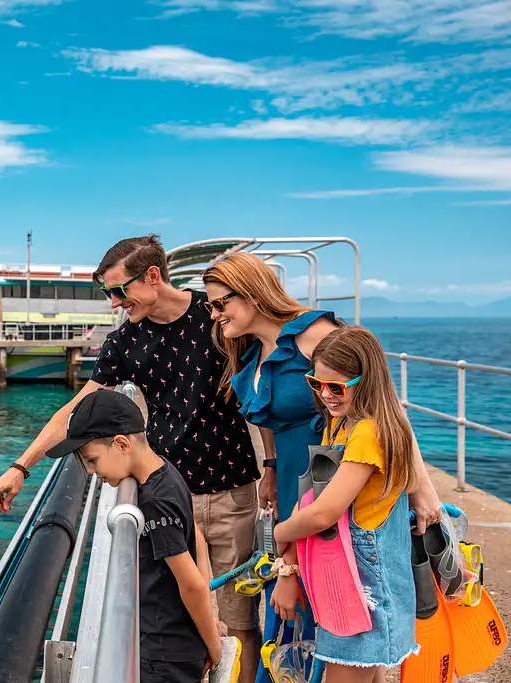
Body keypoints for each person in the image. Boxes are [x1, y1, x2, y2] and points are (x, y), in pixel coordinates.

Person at [0, 235, 263, 682]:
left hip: (230, 492)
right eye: (107, 293)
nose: (113, 303)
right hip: (168, 495)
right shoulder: (127, 341)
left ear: (152, 276)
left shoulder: (216, 317)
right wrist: (20, 467)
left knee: (240, 622)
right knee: (175, 621)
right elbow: (75, 410)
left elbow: (271, 365)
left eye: (118, 291)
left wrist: (278, 470)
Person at [201, 252, 442, 682]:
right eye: (210, 306)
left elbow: (384, 406)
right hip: (302, 489)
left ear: (252, 293)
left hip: (336, 493)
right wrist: (271, 467)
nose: (214, 314)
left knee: (345, 619)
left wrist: (421, 488)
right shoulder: (251, 351)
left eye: (220, 303)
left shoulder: (315, 335)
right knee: (308, 620)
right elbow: (270, 420)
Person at [44, 389, 221, 682]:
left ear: (121, 444)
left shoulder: (153, 504)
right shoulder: (167, 473)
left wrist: (213, 645)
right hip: (177, 641)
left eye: (92, 460)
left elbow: (192, 586)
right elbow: (198, 543)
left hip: (163, 655)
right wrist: (207, 623)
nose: (91, 472)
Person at [273, 325, 419, 682]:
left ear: (365, 381)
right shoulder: (340, 426)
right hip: (349, 575)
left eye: (336, 387)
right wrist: (289, 563)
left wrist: (279, 532)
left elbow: (323, 512)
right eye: (315, 383)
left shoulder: (368, 433)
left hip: (364, 582)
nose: (326, 395)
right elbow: (312, 495)